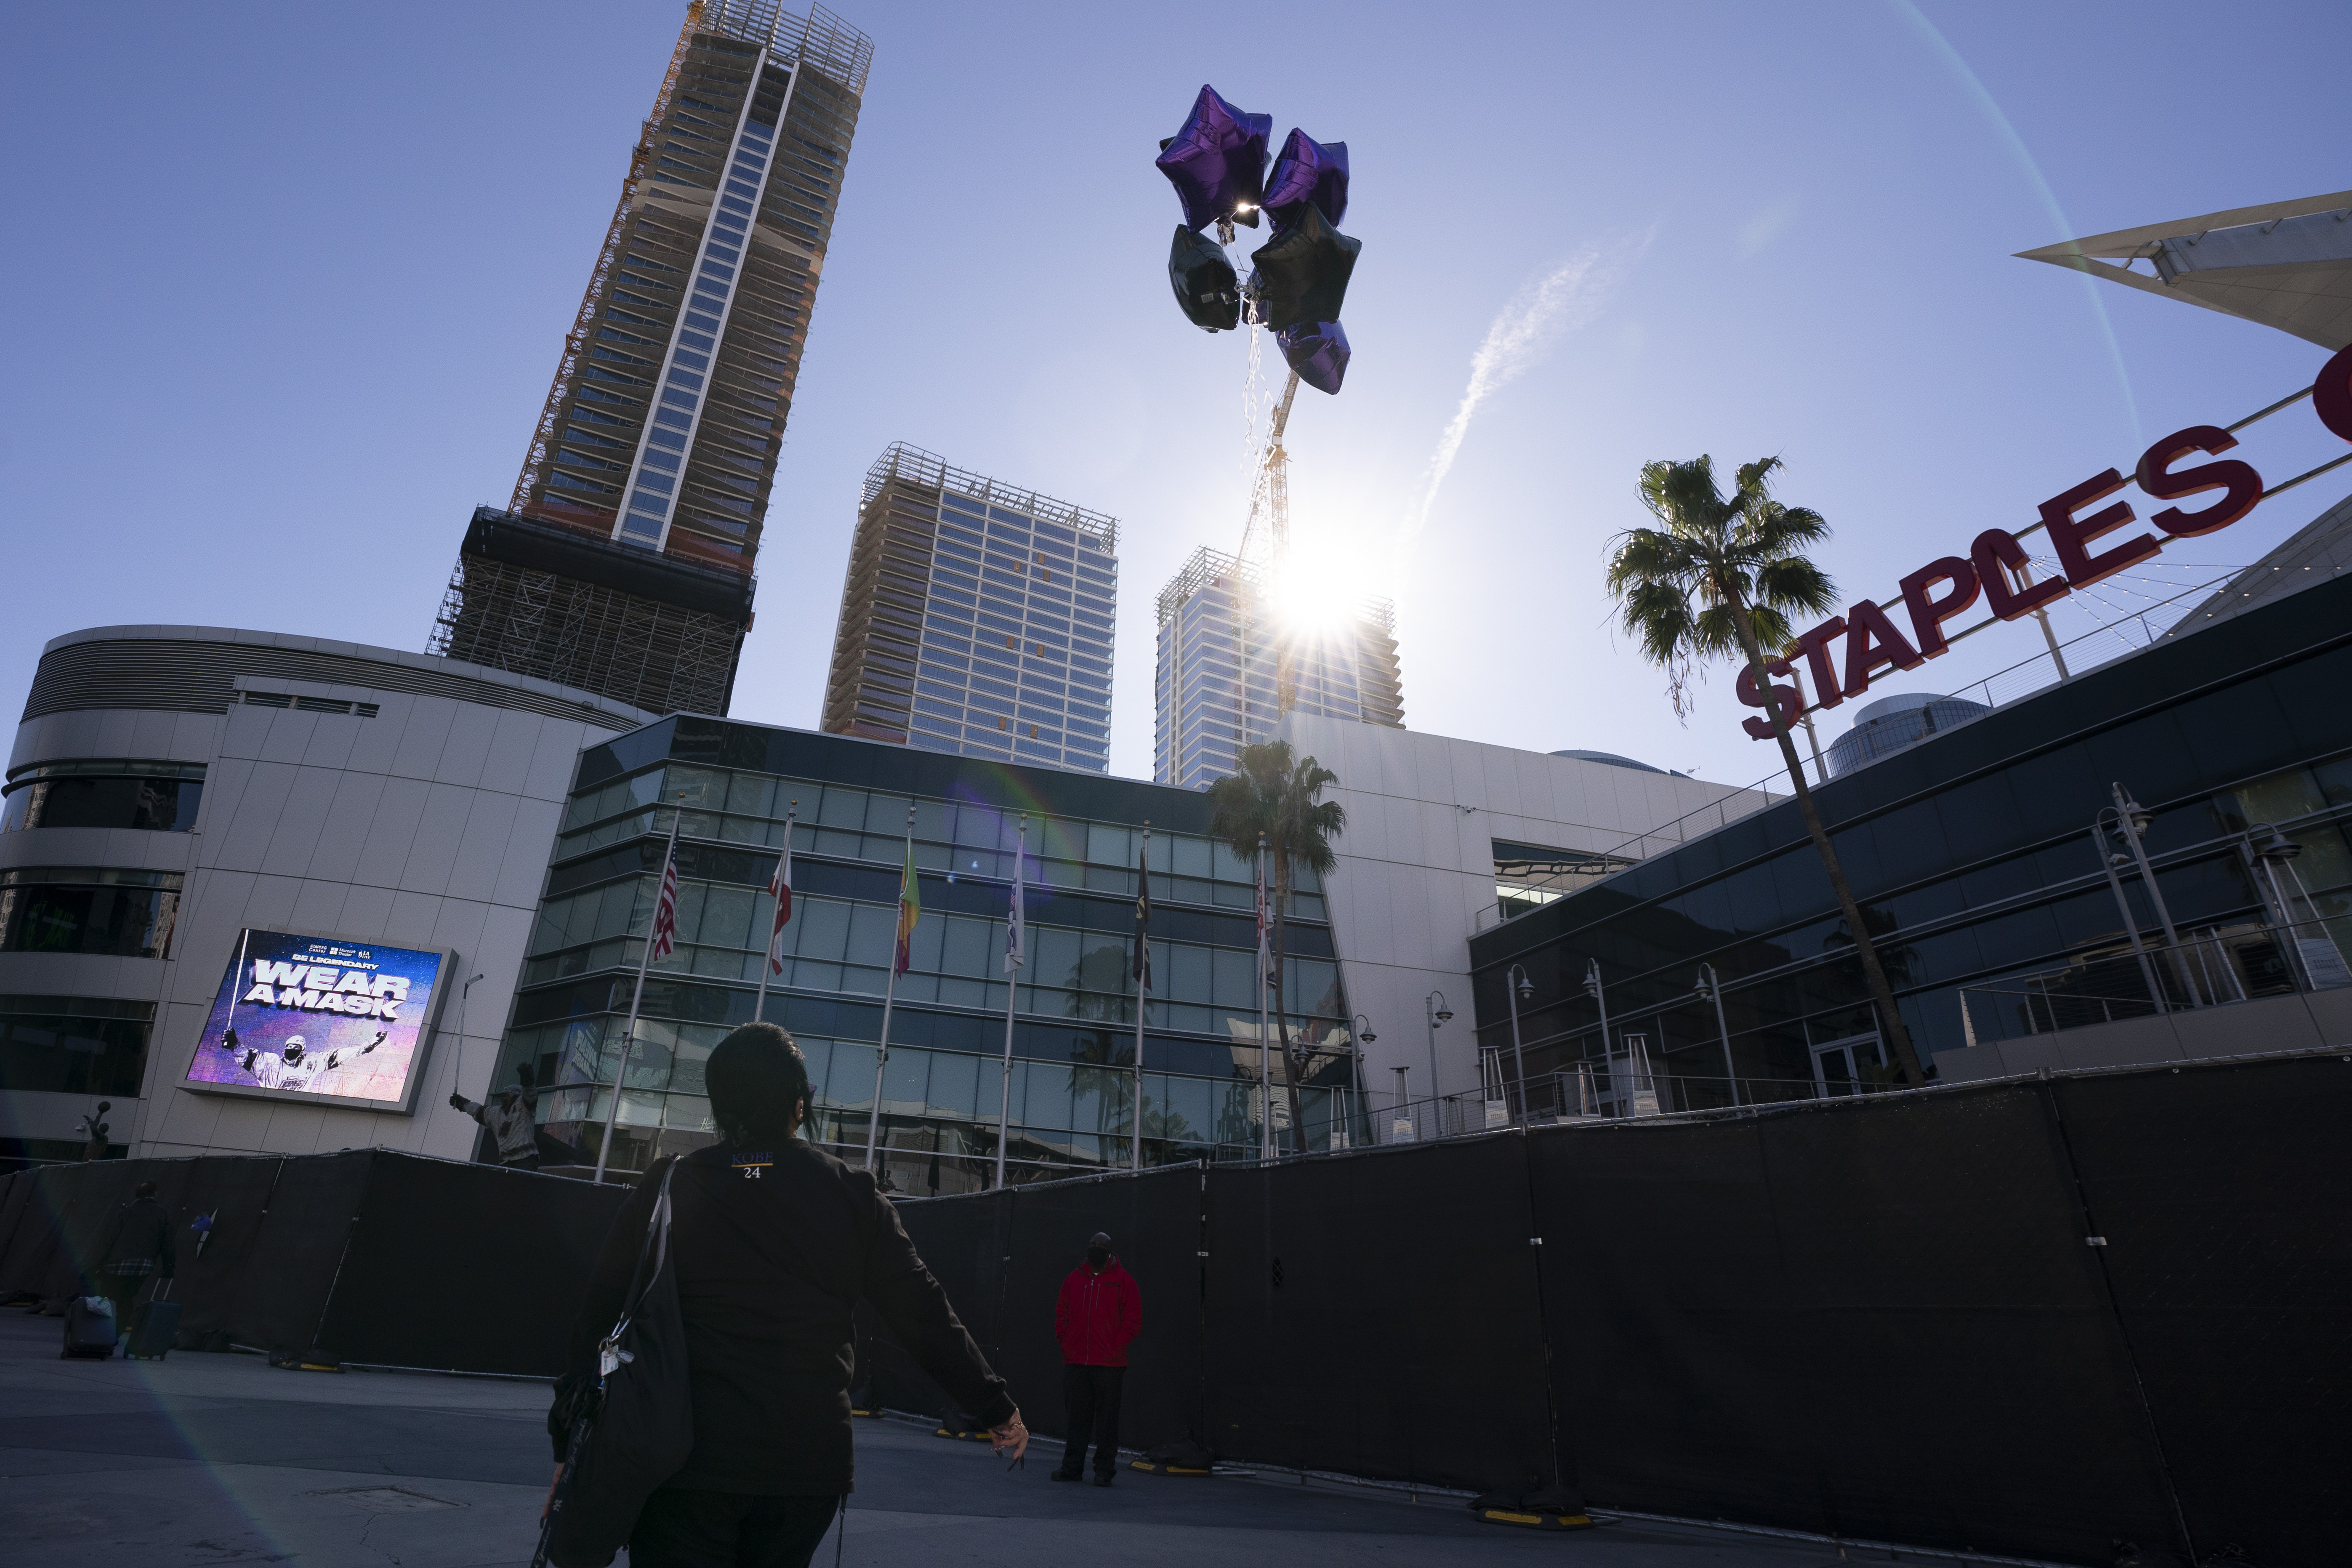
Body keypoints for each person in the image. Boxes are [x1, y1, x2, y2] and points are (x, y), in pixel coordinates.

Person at [553, 1023, 1027, 1567]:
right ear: (799, 1105)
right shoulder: (854, 1195)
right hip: (806, 1471)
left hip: (680, 1464)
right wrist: (996, 1407)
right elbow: (923, 1312)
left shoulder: (668, 1187)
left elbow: (597, 1315)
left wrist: (568, 1446)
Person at [1051, 1229, 1141, 1485]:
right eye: (1093, 1244)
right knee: (1077, 1420)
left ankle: (1104, 1472)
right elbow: (1061, 1313)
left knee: (1107, 1422)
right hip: (1077, 1362)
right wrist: (1066, 1342)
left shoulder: (1124, 1281)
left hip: (1110, 1366)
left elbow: (1134, 1321)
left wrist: (1115, 1346)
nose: (1096, 1248)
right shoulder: (1074, 1279)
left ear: (1110, 1251)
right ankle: (1072, 1469)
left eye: (1101, 1245)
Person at [95, 1179, 174, 1339]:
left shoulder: (126, 1211)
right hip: (143, 1266)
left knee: (107, 1298)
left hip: (117, 1264)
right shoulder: (162, 1213)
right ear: (154, 1194)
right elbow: (168, 1243)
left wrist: (97, 1265)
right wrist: (169, 1267)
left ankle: (98, 1335)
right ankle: (115, 1335)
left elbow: (110, 1240)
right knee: (126, 1299)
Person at [452, 1062, 542, 1169]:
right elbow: (478, 1111)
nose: (502, 1098)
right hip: (506, 1161)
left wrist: (528, 1083)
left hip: (526, 1159)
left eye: (506, 1096)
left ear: (514, 1097)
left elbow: (530, 1095)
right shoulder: (496, 1113)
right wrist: (464, 1104)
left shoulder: (524, 1107)